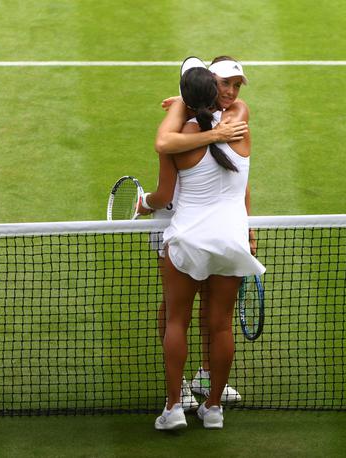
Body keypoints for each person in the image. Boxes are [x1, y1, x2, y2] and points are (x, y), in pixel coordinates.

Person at [140, 62, 265, 430]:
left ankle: (174, 408)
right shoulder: (240, 127)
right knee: (221, 326)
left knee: (177, 320)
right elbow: (231, 112)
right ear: (214, 90)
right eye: (224, 85)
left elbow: (163, 196)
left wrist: (144, 204)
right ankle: (212, 410)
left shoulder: (176, 143)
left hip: (188, 242)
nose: (233, 93)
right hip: (231, 241)